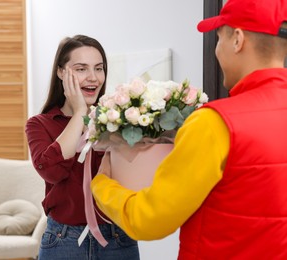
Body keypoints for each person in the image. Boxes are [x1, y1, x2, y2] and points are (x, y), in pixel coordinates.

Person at [91, 0, 287, 259]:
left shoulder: (215, 123)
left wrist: (102, 185)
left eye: (218, 39)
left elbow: (148, 219)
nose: (217, 50)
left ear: (237, 40)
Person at [25, 35, 140, 260]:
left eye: (99, 68)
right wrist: (79, 113)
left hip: (118, 239)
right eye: (81, 69)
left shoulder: (119, 120)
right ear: (61, 72)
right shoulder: (40, 124)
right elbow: (52, 171)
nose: (93, 77)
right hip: (62, 241)